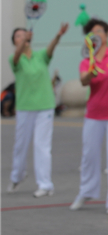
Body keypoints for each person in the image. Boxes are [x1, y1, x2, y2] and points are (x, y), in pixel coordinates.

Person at [70, 19, 108, 215]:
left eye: (100, 31)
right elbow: (84, 81)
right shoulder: (86, 59)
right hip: (94, 114)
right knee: (89, 155)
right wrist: (90, 72)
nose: (97, 34)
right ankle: (86, 192)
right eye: (92, 32)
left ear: (107, 34)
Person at [7, 23, 69, 197]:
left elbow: (51, 48)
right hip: (25, 107)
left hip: (45, 106)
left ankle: (45, 184)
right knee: (20, 145)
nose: (22, 37)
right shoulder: (15, 59)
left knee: (42, 146)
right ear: (14, 41)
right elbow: (18, 54)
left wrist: (58, 35)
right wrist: (23, 42)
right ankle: (17, 176)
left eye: (23, 34)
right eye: (18, 36)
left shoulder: (40, 56)